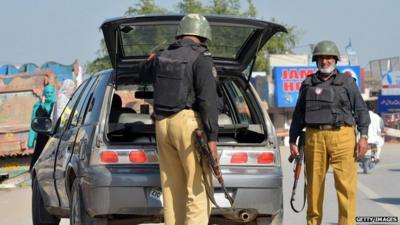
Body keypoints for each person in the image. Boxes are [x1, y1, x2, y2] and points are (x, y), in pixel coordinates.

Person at [141, 14, 218, 225]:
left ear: (180, 33)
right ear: (202, 35)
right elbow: (207, 101)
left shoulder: (162, 56)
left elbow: (142, 74)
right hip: (188, 125)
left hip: (162, 125)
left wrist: (151, 59)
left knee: (172, 190)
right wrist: (212, 139)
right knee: (197, 189)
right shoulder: (201, 57)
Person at [289, 40, 370, 225]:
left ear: (335, 60)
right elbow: (298, 114)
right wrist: (293, 139)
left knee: (346, 187)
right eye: (321, 58)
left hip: (342, 136)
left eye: (328, 58)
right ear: (316, 60)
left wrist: (364, 136)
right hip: (314, 137)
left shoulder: (347, 82)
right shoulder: (307, 83)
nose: (325, 61)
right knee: (314, 188)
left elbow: (361, 110)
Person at [28, 85, 56, 170]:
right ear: (44, 93)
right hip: (42, 135)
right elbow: (34, 121)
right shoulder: (38, 105)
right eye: (47, 92)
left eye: (51, 92)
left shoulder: (57, 104)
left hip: (54, 135)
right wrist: (31, 140)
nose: (49, 94)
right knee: (39, 156)